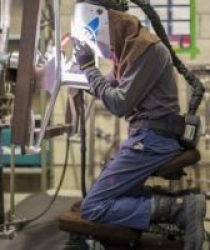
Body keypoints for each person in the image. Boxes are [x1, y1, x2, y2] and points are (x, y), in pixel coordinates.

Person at [71, 1, 206, 249]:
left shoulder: (149, 50)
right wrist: (79, 76)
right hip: (147, 137)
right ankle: (177, 207)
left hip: (154, 140)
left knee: (93, 207)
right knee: (114, 195)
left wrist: (90, 68)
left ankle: (180, 209)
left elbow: (119, 103)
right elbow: (108, 87)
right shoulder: (130, 51)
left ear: (109, 21)